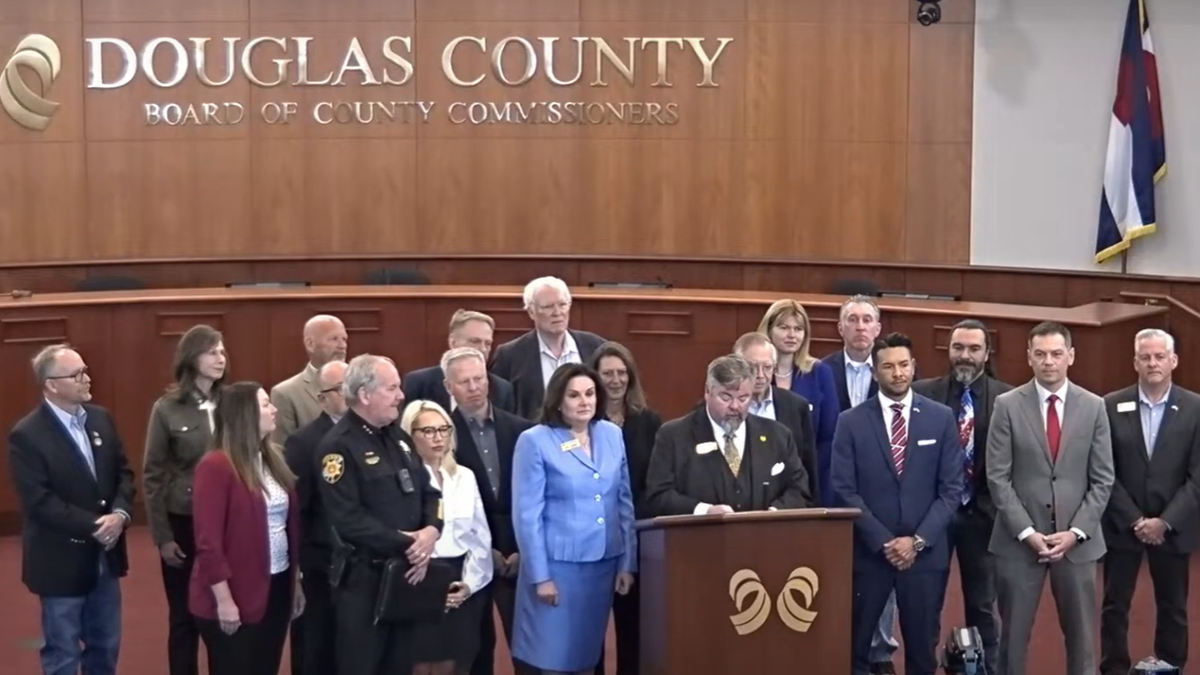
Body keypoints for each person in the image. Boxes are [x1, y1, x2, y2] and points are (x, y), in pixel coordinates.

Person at [986, 321, 1114, 675]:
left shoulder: (1094, 407)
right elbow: (998, 477)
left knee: (1082, 641)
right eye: (1040, 354)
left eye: (1057, 354)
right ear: (1029, 357)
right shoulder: (1007, 405)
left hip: (1077, 545)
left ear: (1070, 356)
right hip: (1019, 542)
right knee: (1012, 641)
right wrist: (1027, 532)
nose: (1049, 362)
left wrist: (1076, 532)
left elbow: (1103, 479)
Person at [831, 333, 962, 675]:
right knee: (856, 649)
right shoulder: (851, 422)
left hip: (925, 555)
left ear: (914, 367)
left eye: (904, 365)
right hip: (870, 554)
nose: (898, 373)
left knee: (922, 651)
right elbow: (844, 489)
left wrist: (916, 542)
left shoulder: (941, 417)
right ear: (875, 373)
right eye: (888, 366)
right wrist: (885, 542)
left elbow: (951, 489)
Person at [8, 344, 135, 675]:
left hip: (105, 559)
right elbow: (40, 502)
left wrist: (120, 515)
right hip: (60, 563)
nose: (86, 379)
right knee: (63, 653)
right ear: (51, 384)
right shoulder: (27, 435)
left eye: (85, 370)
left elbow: (124, 473)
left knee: (105, 646)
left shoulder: (101, 419)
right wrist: (96, 524)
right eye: (77, 374)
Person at [316, 354, 443, 675]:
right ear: (365, 394)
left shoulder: (399, 439)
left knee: (401, 665)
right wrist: (409, 544)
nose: (401, 395)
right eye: (392, 388)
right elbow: (348, 519)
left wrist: (431, 531)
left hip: (406, 576)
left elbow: (432, 493)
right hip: (364, 580)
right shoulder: (338, 447)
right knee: (363, 665)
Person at [511, 363, 636, 675]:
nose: (585, 401)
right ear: (558, 400)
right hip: (557, 571)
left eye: (590, 393)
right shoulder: (535, 440)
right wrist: (540, 576)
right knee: (554, 660)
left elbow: (624, 502)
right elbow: (527, 515)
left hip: (602, 566)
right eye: (575, 395)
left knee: (585, 660)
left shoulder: (611, 434)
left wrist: (627, 563)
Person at [911, 319, 1011, 675]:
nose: (964, 356)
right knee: (927, 603)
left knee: (983, 606)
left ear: (986, 353)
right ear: (948, 351)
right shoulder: (923, 394)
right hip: (934, 517)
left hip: (984, 516)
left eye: (973, 349)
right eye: (958, 348)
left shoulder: (1007, 398)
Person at [1099, 329, 1200, 675]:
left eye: (1160, 357)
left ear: (1173, 361)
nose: (1153, 363)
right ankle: (1113, 667)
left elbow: (1198, 476)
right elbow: (1103, 470)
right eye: (1146, 357)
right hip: (1122, 524)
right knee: (1115, 604)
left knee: (1173, 606)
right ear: (1135, 362)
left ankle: (1170, 666)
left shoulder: (1196, 407)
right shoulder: (1110, 404)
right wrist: (1133, 519)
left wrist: (1165, 521)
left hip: (1173, 526)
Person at [191, 382, 303, 675]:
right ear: (245, 415)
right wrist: (224, 601)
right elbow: (208, 543)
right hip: (234, 592)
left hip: (276, 584)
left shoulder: (272, 458)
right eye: (266, 404)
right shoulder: (215, 466)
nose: (274, 409)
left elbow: (287, 527)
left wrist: (296, 581)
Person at [440, 347, 533, 675]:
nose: (474, 387)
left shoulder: (523, 430)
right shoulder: (440, 436)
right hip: (468, 556)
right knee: (475, 648)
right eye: (464, 382)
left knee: (527, 647)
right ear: (448, 386)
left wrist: (523, 549)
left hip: (520, 552)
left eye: (479, 378)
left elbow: (536, 497)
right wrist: (484, 550)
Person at [142, 324, 227, 675]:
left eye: (223, 352)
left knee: (225, 610)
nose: (221, 359)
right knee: (185, 615)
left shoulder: (233, 402)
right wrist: (163, 537)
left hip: (227, 523)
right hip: (185, 522)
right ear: (192, 358)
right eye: (212, 352)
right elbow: (153, 476)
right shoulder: (167, 409)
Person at [644, 354, 812, 517]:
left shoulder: (778, 436)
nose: (735, 406)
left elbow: (800, 489)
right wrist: (705, 511)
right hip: (699, 540)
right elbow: (658, 496)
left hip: (764, 540)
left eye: (744, 398)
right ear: (707, 391)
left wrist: (773, 514)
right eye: (726, 397)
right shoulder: (674, 436)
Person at [402, 400, 494, 675]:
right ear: (410, 434)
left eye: (443, 429)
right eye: (428, 431)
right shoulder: (404, 478)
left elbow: (480, 538)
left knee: (457, 662)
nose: (438, 437)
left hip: (460, 580)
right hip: (418, 581)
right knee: (419, 664)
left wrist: (469, 585)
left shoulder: (464, 477)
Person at [589, 341, 663, 675]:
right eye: (607, 374)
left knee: (633, 627)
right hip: (593, 537)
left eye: (622, 373)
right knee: (590, 631)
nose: (616, 380)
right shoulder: (582, 422)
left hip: (637, 538)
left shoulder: (650, 422)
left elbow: (656, 481)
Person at [283, 360, 348, 675]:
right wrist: (299, 568)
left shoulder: (377, 433)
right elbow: (298, 512)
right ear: (322, 398)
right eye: (340, 389)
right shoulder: (303, 442)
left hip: (361, 564)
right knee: (318, 646)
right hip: (320, 564)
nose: (349, 394)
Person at [758, 299, 840, 505]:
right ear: (768, 330)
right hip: (758, 475)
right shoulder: (756, 373)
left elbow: (829, 435)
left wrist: (810, 480)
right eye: (784, 327)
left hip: (804, 477)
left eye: (798, 328)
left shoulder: (819, 372)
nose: (792, 335)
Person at [491, 277, 606, 419]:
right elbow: (499, 410)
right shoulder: (509, 355)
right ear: (531, 312)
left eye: (562, 304)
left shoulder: (596, 347)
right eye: (548, 307)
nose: (557, 312)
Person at [733, 331, 821, 502]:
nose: (760, 375)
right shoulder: (723, 407)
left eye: (767, 367)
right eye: (752, 367)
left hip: (782, 508)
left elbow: (807, 467)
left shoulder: (796, 406)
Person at [403, 309, 516, 415]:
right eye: (475, 341)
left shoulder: (502, 389)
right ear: (453, 342)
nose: (483, 349)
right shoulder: (419, 384)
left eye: (487, 344)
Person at [272, 314, 348, 443]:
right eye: (333, 339)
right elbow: (281, 450)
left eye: (344, 339)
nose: (342, 346)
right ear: (310, 344)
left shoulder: (361, 384)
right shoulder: (286, 393)